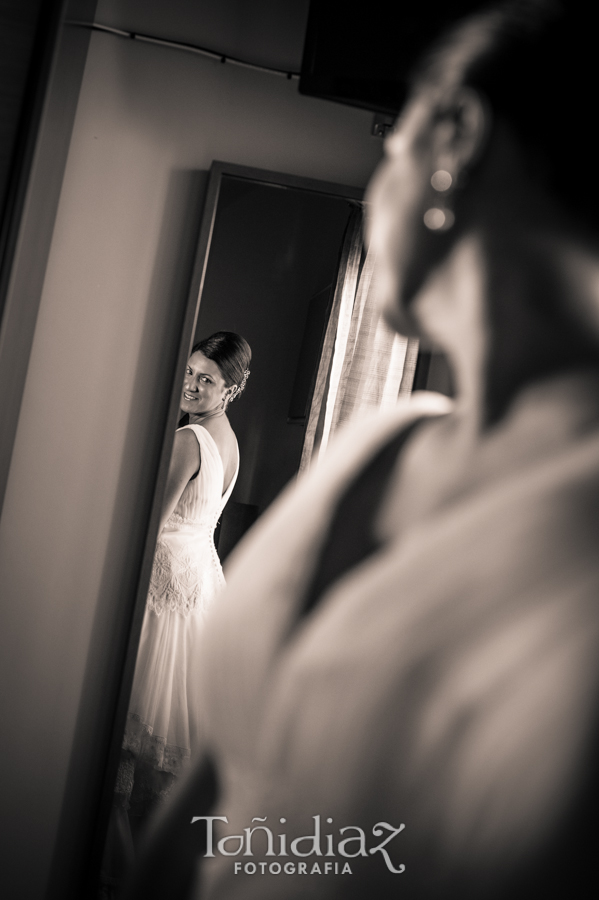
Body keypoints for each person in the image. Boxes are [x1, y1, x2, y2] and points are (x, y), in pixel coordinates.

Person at [124, 2, 599, 898]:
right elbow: (220, 797)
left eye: (391, 143)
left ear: (454, 136)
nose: (382, 172)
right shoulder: (376, 446)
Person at [103, 332, 251, 886]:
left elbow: (148, 528)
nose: (191, 385)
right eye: (190, 373)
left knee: (122, 742)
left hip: (164, 593)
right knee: (148, 760)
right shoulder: (230, 442)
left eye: (206, 379)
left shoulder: (189, 439)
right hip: (198, 588)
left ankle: (114, 874)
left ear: (230, 389)